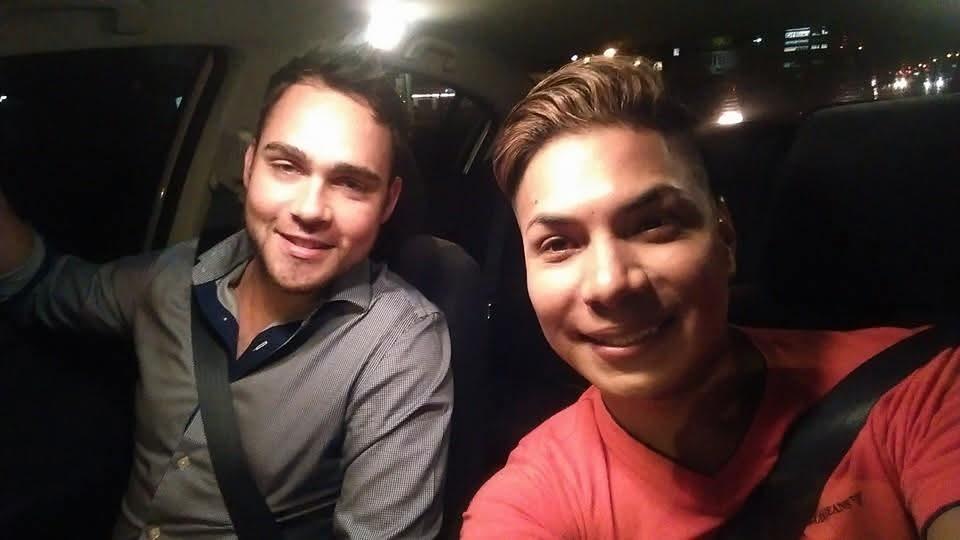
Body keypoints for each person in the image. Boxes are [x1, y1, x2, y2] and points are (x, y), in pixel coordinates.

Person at [461, 56, 960, 539]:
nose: (610, 283)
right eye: (559, 244)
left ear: (725, 238)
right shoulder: (528, 502)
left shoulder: (916, 387)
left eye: (654, 224)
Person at [0, 45, 452, 539]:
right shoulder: (175, 276)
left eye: (349, 184)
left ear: (388, 203)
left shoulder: (398, 344)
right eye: (287, 166)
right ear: (250, 164)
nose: (310, 208)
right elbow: (48, 288)